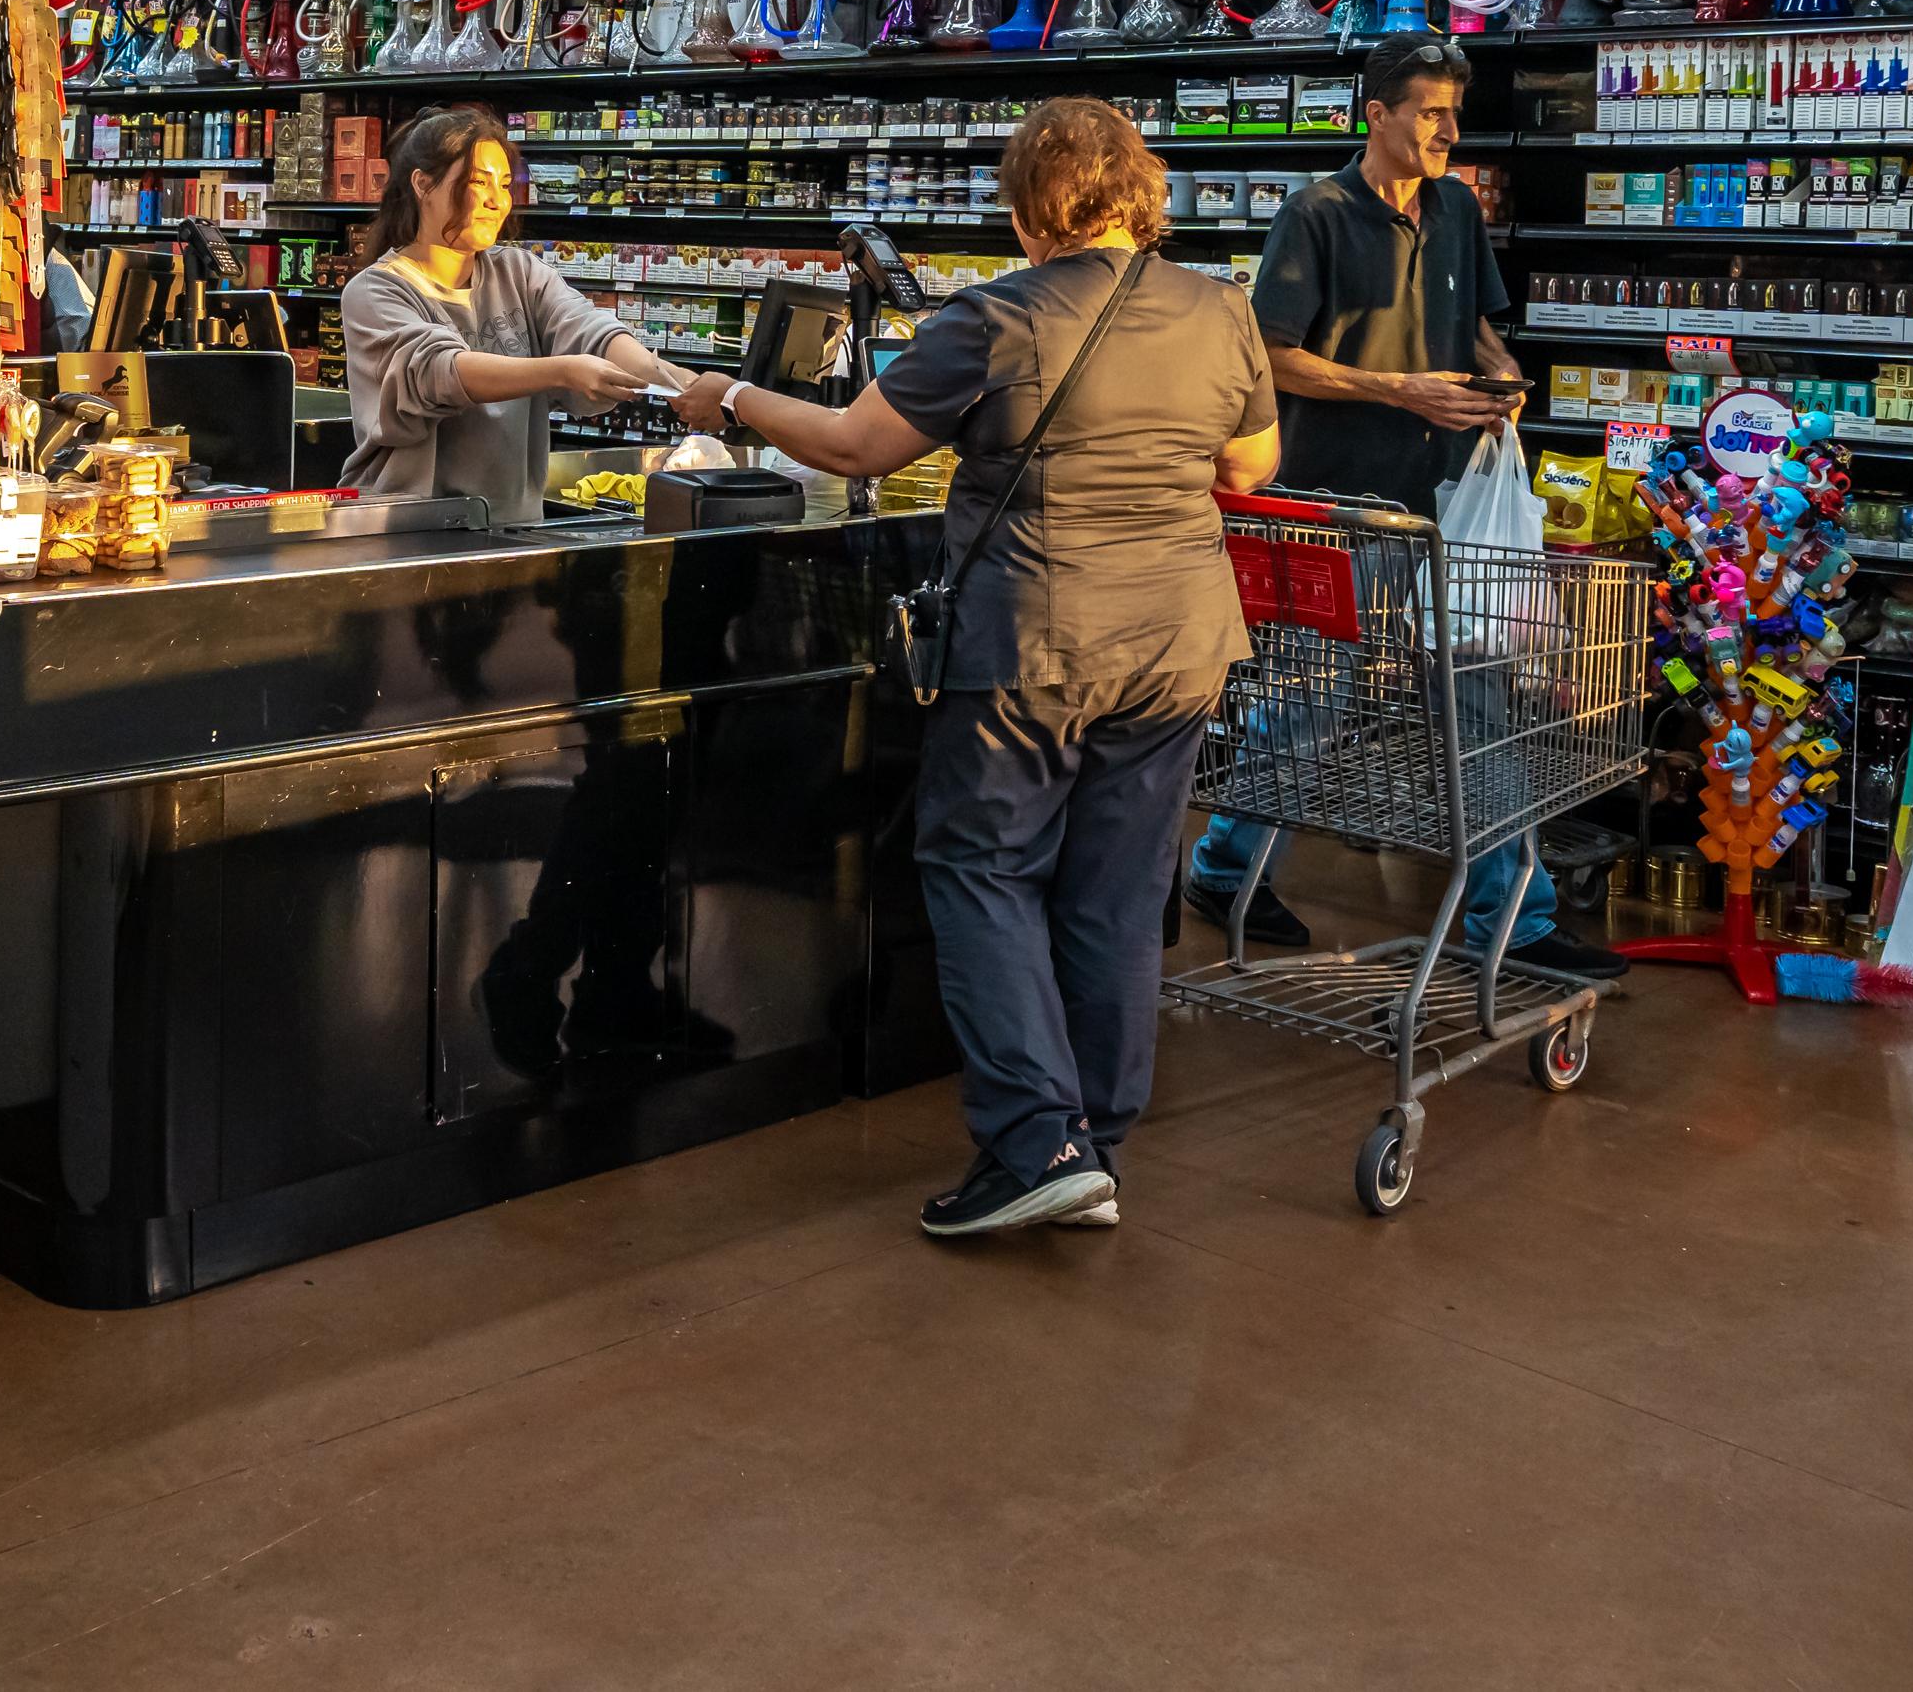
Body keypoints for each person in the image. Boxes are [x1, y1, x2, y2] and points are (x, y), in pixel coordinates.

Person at [674, 97, 1277, 1239]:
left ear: (1027, 205)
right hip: (1183, 641)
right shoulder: (1222, 309)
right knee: (1117, 889)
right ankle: (1092, 1139)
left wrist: (734, 400)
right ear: (1137, 193)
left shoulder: (996, 317)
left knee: (982, 868)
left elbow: (856, 444)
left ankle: (1032, 1141)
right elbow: (1249, 466)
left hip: (1036, 641)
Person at [1196, 31, 1628, 983]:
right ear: (1376, 113)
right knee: (1313, 704)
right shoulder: (1313, 216)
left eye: (1454, 112)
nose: (1448, 128)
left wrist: (1497, 370)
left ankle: (1511, 918)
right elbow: (1272, 357)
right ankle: (1225, 866)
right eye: (1429, 111)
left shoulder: (1458, 209)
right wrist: (1405, 391)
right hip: (1338, 507)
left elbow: (1474, 322)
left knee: (1482, 704)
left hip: (1448, 506)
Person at [336, 107, 661, 528]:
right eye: (477, 182)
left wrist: (669, 378)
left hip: (512, 530)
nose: (497, 200)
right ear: (423, 185)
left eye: (504, 184)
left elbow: (585, 328)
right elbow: (440, 371)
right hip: (407, 533)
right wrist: (562, 370)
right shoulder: (375, 291)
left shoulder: (518, 272)